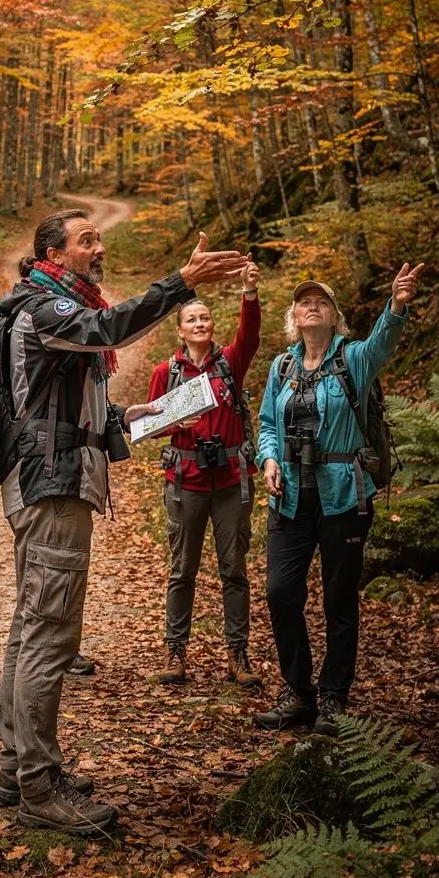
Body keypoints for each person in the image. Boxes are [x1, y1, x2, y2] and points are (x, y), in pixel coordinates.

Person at [0, 210, 249, 835]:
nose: (99, 247)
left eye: (99, 236)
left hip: (53, 480)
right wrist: (179, 283)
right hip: (49, 485)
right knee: (50, 633)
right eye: (88, 240)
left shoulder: (60, 309)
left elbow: (80, 410)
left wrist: (143, 415)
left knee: (34, 623)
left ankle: (21, 764)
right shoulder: (42, 308)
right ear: (53, 253)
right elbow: (110, 326)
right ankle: (36, 785)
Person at [255, 263, 424, 736]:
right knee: (280, 592)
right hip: (288, 493)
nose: (312, 306)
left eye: (322, 302)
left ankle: (333, 697)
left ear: (335, 317)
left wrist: (397, 304)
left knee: (338, 599)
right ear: (294, 316)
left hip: (343, 495)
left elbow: (384, 342)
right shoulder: (281, 365)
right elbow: (268, 423)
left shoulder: (354, 359)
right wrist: (268, 460)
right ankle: (297, 692)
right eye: (304, 301)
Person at [147, 259, 262, 688]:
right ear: (180, 330)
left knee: (234, 569)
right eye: (192, 318)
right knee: (183, 570)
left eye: (205, 317)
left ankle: (238, 655)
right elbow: (146, 423)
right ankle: (175, 653)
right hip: (186, 483)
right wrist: (172, 424)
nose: (200, 322)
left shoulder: (230, 363)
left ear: (213, 325)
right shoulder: (167, 372)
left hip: (231, 480)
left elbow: (249, 337)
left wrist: (249, 294)